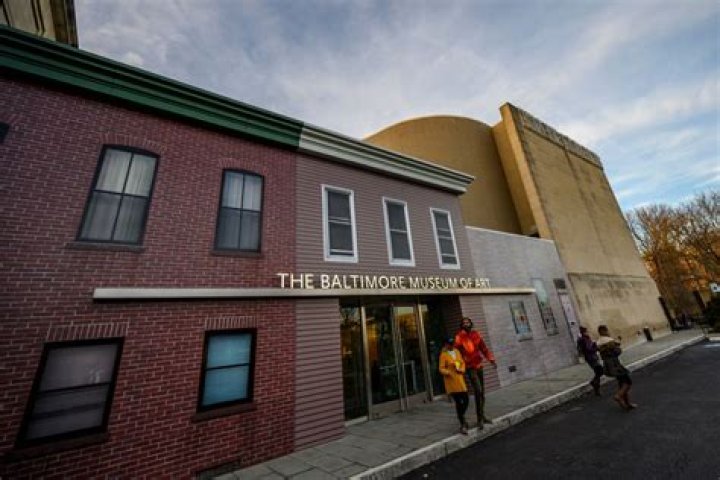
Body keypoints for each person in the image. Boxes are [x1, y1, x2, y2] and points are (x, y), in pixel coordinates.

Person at [454, 317, 497, 428]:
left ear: (471, 323)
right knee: (478, 390)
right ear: (461, 325)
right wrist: (458, 367)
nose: (466, 324)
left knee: (482, 393)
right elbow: (456, 353)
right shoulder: (459, 337)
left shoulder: (476, 334)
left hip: (479, 366)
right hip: (469, 367)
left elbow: (484, 348)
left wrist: (491, 360)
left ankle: (481, 416)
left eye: (467, 322)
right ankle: (479, 419)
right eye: (464, 323)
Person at [596, 325, 636, 410]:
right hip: (615, 364)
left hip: (608, 365)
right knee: (628, 382)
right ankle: (618, 396)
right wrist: (618, 344)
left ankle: (627, 404)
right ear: (604, 331)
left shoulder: (598, 342)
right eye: (607, 330)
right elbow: (617, 351)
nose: (608, 332)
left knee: (621, 383)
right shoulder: (609, 340)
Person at [439, 336, 470, 434]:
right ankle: (462, 423)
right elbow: (441, 368)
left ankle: (461, 416)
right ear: (446, 345)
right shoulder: (443, 355)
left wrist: (461, 369)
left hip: (459, 379)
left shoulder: (457, 351)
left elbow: (462, 362)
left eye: (452, 344)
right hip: (451, 382)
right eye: (450, 344)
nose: (452, 346)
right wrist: (448, 372)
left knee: (466, 400)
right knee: (458, 402)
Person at [576, 326, 603, 395]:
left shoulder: (584, 339)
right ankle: (594, 384)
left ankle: (596, 388)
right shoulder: (584, 339)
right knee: (600, 371)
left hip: (591, 358)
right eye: (587, 331)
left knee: (598, 372)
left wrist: (594, 344)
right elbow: (589, 349)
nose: (588, 332)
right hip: (591, 358)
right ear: (584, 332)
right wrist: (596, 347)